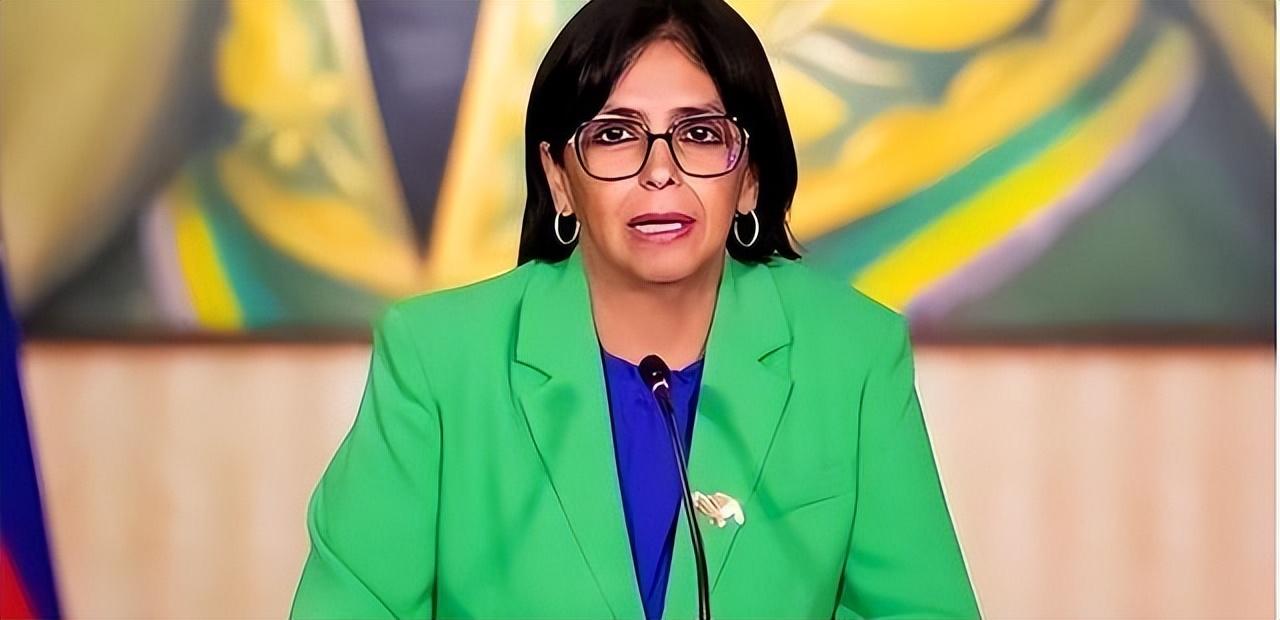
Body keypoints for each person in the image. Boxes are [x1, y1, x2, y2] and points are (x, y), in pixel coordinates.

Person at [290, 0, 981, 617]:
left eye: (700, 134)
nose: (660, 171)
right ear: (559, 179)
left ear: (750, 177)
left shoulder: (852, 356)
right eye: (616, 134)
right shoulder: (438, 360)